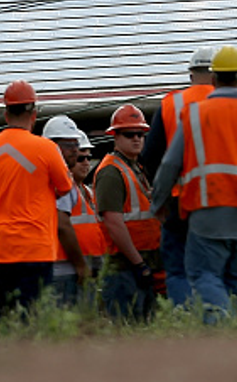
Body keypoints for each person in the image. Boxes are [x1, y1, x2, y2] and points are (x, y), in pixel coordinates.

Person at [150, 46, 237, 321]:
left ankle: (220, 324)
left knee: (204, 274)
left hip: (207, 212)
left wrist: (159, 203)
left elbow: (169, 165)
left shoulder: (194, 114)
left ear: (213, 79)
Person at [0, 80, 72, 316]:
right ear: (34, 114)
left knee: (5, 314)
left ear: (5, 114)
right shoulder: (46, 148)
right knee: (32, 316)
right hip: (34, 246)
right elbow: (65, 186)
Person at [141, 46, 215, 307]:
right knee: (217, 266)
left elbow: (151, 156)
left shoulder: (172, 104)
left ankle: (184, 316)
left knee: (178, 269)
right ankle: (220, 317)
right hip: (224, 202)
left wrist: (160, 196)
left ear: (191, 75)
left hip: (180, 202)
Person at [94, 104, 161, 320]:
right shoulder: (111, 172)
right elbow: (113, 223)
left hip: (141, 265)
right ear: (115, 136)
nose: (136, 139)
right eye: (129, 134)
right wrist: (138, 263)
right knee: (127, 327)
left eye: (140, 134)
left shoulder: (135, 168)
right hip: (124, 268)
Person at [42, 115, 92, 305]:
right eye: (68, 145)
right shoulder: (56, 178)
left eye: (76, 144)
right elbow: (62, 225)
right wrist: (80, 264)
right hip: (63, 268)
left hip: (66, 266)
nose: (75, 150)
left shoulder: (65, 178)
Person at [54, 131, 105, 302]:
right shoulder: (59, 191)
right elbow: (62, 226)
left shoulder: (88, 192)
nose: (86, 163)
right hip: (67, 267)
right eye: (80, 159)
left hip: (89, 267)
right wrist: (80, 265)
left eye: (88, 158)